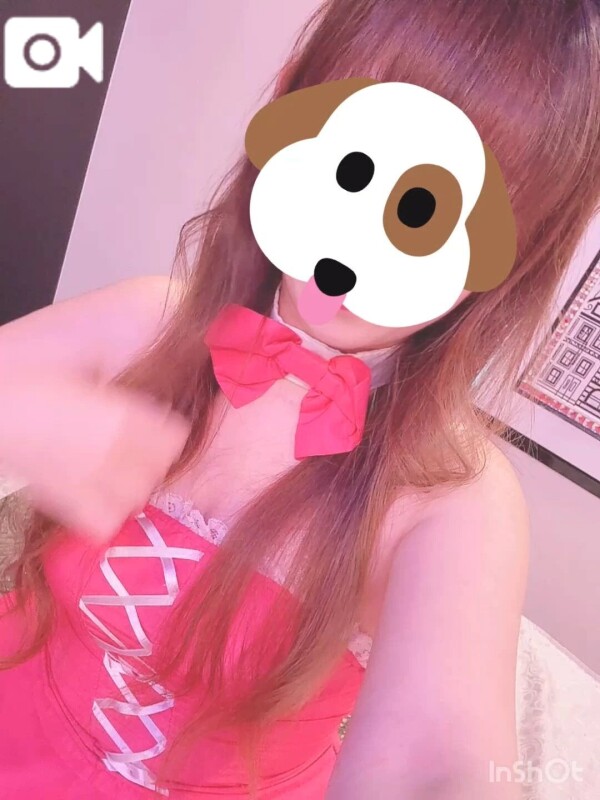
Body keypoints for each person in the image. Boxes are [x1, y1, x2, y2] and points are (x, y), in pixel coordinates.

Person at [0, 1, 599, 798]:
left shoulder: (455, 499)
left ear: (513, 251)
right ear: (288, 105)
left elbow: (440, 764)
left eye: (420, 211)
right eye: (352, 166)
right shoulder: (151, 322)